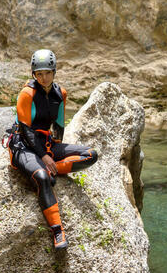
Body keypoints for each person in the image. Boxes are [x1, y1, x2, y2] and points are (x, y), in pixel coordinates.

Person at [6, 48, 98, 250]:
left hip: (46, 143)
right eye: (39, 73)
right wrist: (45, 157)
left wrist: (55, 150)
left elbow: (58, 127)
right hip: (23, 144)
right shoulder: (27, 94)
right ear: (33, 74)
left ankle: (53, 166)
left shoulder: (60, 93)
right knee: (42, 177)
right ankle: (58, 231)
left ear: (54, 72)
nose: (44, 77)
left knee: (91, 155)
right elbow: (27, 131)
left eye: (47, 72)